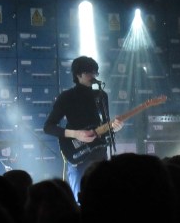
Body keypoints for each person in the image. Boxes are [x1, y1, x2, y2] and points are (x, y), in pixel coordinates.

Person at [43, 55, 123, 199]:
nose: (93, 76)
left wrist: (114, 128)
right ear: (78, 74)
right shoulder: (67, 97)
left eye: (95, 72)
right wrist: (76, 134)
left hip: (100, 153)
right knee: (80, 196)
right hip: (77, 152)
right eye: (88, 72)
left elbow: (103, 126)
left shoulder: (101, 96)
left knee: (103, 196)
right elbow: (48, 127)